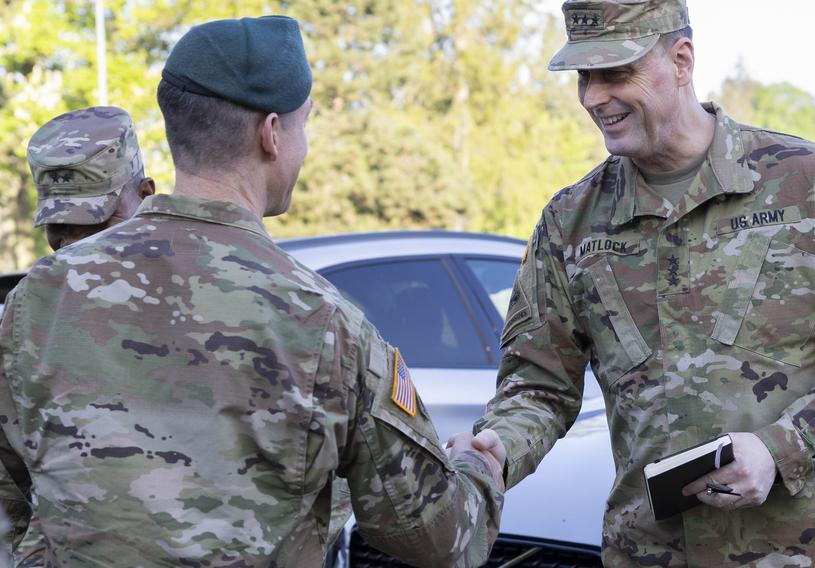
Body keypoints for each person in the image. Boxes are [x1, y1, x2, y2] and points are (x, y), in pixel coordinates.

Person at [0, 15, 505, 567]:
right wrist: (478, 468)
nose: (304, 146)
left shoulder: (39, 297)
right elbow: (437, 536)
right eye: (303, 125)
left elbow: (11, 496)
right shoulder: (323, 321)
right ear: (271, 134)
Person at [471, 0, 815, 566]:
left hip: (807, 552)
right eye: (584, 76)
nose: (592, 97)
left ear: (681, 60)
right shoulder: (570, 221)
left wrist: (783, 447)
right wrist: (498, 447)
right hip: (651, 553)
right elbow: (539, 385)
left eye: (615, 73)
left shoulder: (808, 180)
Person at [4, 106, 156, 566]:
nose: (74, 245)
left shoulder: (207, 296)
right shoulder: (32, 309)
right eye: (59, 227)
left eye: (95, 223)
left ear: (146, 196)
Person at [28, 106, 156, 251]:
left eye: (93, 220)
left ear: (145, 196)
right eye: (57, 224)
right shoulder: (45, 273)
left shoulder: (181, 268)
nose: (70, 243)